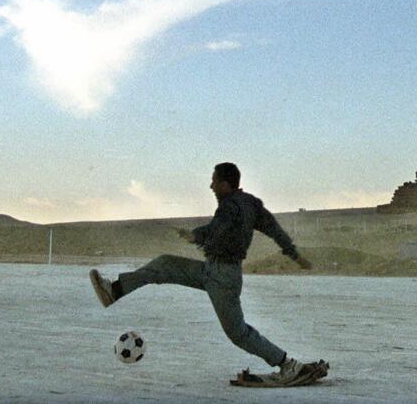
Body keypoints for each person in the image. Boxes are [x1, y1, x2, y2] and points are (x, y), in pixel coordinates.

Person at [88, 162, 326, 385]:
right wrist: (293, 253)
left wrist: (196, 235)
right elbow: (273, 228)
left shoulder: (229, 205)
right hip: (213, 270)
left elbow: (218, 228)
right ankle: (115, 290)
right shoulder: (252, 203)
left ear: (225, 184)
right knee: (163, 264)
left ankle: (288, 365)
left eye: (213, 182)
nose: (210, 186)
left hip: (222, 276)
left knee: (238, 333)